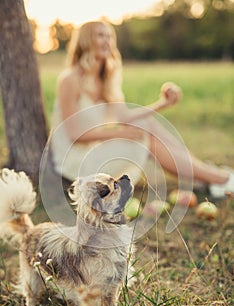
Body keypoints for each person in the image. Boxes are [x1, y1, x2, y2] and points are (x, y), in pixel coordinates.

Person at [50, 20, 234, 199]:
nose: (107, 40)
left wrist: (163, 103)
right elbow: (75, 135)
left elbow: (125, 117)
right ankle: (218, 178)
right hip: (74, 163)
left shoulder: (106, 79)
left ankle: (206, 175)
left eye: (109, 36)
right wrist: (121, 134)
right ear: (86, 40)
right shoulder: (70, 79)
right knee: (144, 138)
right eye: (100, 35)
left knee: (144, 124)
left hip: (94, 152)